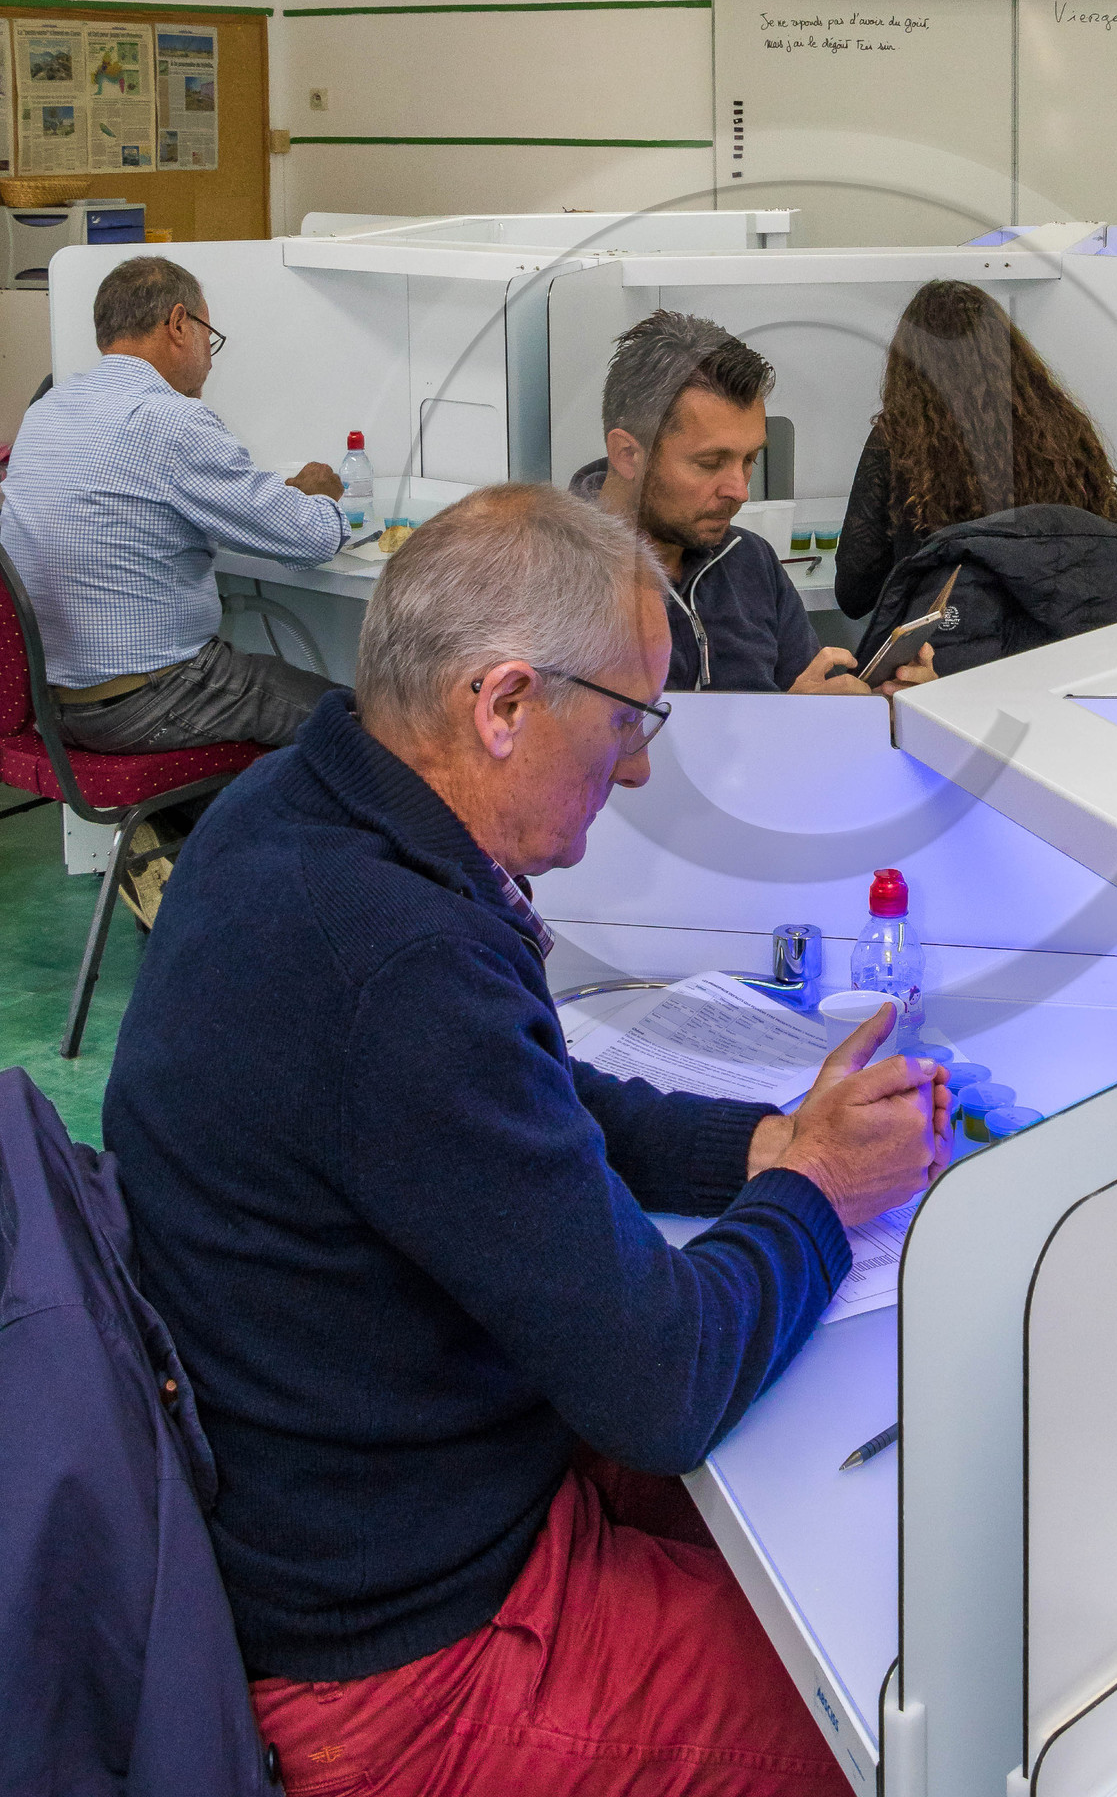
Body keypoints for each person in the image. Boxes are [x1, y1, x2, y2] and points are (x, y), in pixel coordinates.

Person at [103, 484, 950, 1797]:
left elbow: (532, 1093)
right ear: (501, 705)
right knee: (879, 1729)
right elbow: (659, 1387)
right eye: (627, 721)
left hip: (362, 1507)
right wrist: (827, 1191)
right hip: (403, 1665)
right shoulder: (394, 961)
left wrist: (769, 1139)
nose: (643, 765)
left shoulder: (299, 811)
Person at [0, 252, 346, 752]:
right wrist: (319, 498)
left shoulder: (48, 412)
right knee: (365, 721)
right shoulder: (172, 420)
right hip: (150, 699)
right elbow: (311, 539)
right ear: (179, 323)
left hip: (53, 707)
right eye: (210, 336)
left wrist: (267, 503)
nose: (209, 354)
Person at [573, 307, 933, 695]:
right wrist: (783, 724)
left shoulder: (751, 560)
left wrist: (876, 710)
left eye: (749, 460)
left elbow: (807, 701)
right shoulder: (551, 577)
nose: (740, 491)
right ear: (628, 454)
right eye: (710, 463)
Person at [833, 279, 1117, 675]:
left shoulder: (898, 441)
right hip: (1060, 659)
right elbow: (1104, 549)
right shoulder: (1063, 430)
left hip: (944, 668)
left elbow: (853, 594)